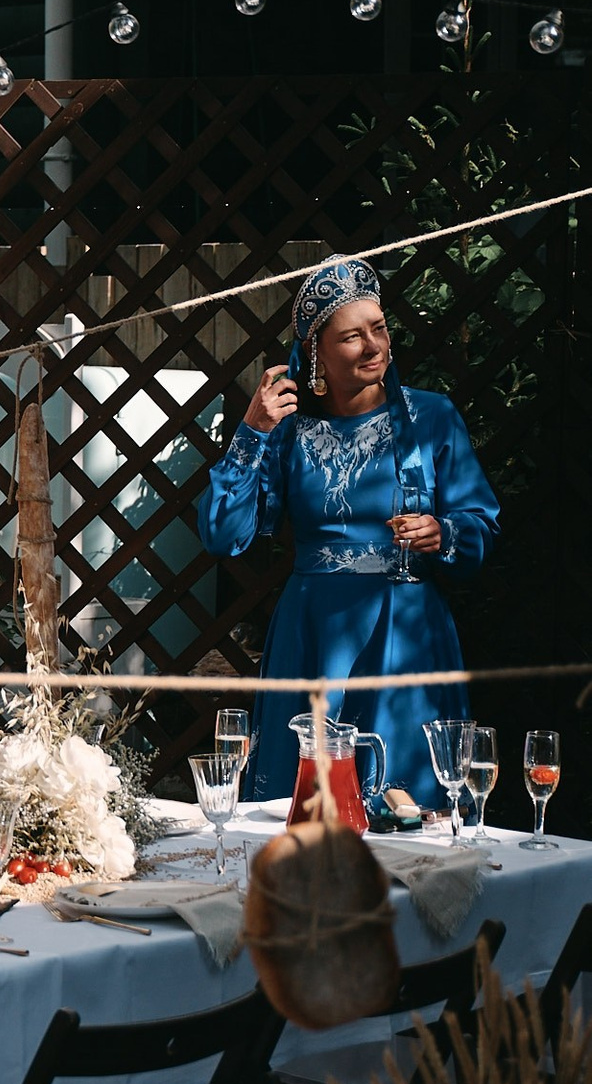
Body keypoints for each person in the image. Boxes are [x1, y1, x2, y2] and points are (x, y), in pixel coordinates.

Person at [198, 255, 497, 808]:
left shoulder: (432, 417)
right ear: (316, 352)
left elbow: (480, 526)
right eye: (352, 336)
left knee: (408, 817)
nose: (373, 345)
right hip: (313, 635)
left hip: (404, 634)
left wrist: (444, 533)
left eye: (378, 328)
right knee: (307, 818)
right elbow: (223, 534)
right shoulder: (287, 431)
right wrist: (253, 431)